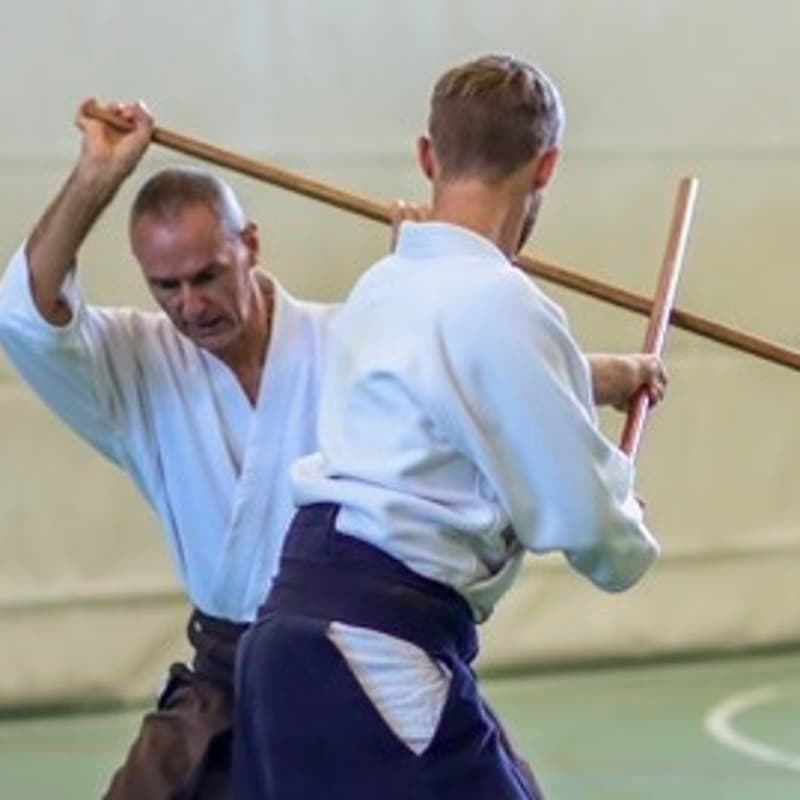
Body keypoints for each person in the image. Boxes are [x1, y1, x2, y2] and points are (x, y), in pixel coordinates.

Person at [234, 54, 664, 799]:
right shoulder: (502, 304)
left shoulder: (381, 288)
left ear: (427, 155)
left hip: (284, 643)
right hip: (372, 647)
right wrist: (622, 512)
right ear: (546, 166)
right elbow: (595, 534)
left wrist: (605, 378)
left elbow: (453, 398)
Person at [0, 99, 336, 799]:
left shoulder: (346, 342)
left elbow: (474, 380)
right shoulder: (134, 364)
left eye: (207, 275)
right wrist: (96, 177)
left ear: (251, 244)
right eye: (166, 287)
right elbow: (27, 315)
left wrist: (433, 267)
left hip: (355, 671)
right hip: (227, 676)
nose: (189, 306)